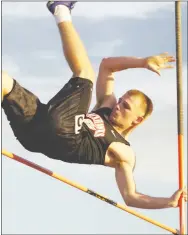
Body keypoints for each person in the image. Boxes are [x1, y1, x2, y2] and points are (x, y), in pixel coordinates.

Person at [2, 1, 187, 209]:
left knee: (85, 74)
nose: (118, 106)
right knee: (4, 83)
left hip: (65, 137)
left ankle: (60, 8)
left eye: (126, 107)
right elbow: (107, 65)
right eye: (121, 101)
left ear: (137, 119)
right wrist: (143, 62)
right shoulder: (106, 104)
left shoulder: (124, 151)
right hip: (34, 133)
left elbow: (131, 196)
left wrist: (169, 202)